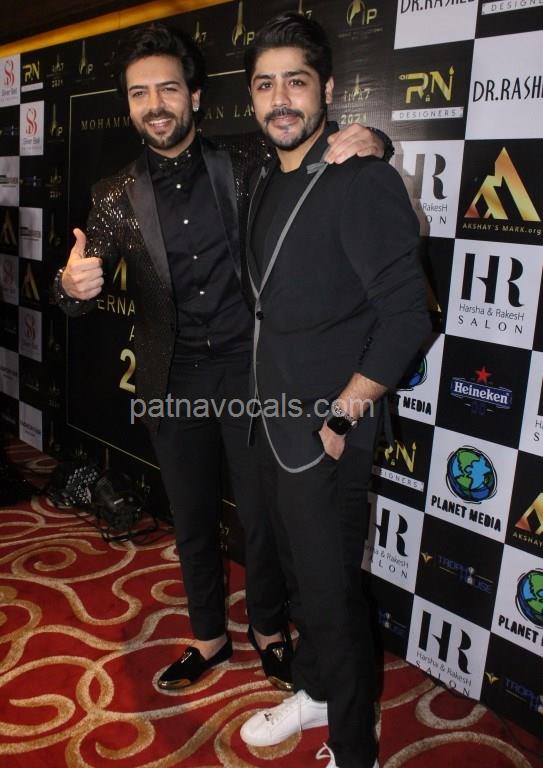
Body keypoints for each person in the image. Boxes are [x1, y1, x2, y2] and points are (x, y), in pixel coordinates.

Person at [54, 23, 391, 694]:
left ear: (196, 97)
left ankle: (267, 630)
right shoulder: (114, 194)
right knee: (191, 515)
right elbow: (76, 294)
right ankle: (208, 636)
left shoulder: (245, 159)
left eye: (168, 89)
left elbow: (315, 146)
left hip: (251, 371)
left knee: (261, 517)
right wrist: (70, 288)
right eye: (139, 94)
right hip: (172, 378)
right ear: (128, 105)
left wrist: (375, 141)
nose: (155, 105)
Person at [238, 12, 430, 768]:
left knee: (329, 597)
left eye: (296, 81)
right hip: (270, 423)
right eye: (264, 85)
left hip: (327, 434)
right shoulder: (262, 177)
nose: (280, 98)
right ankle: (315, 692)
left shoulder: (361, 178)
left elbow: (407, 318)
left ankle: (355, 750)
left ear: (327, 88)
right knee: (301, 584)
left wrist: (341, 418)